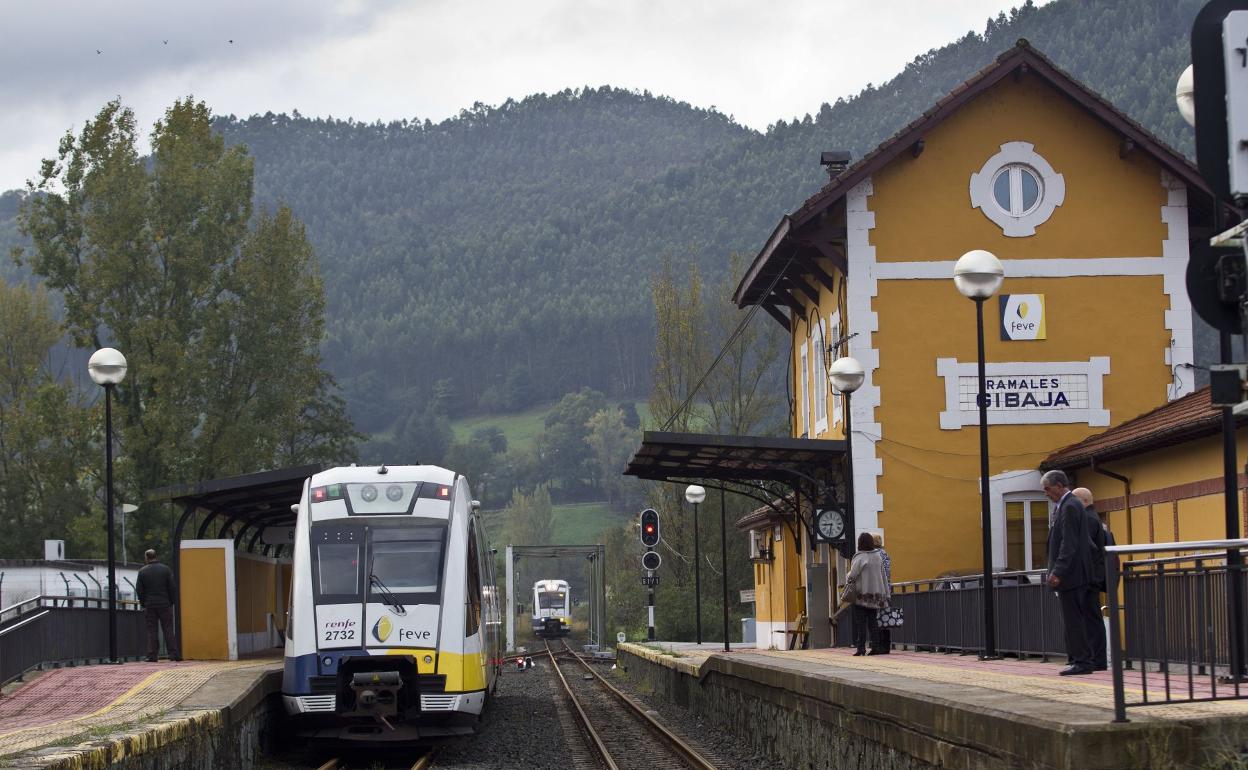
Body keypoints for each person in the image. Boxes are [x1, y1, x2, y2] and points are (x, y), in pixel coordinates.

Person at [1042, 470, 1094, 675]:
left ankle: (1082, 661)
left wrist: (1058, 571)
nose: (1046, 493)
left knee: (1074, 619)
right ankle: (1081, 659)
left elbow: (1069, 543)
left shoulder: (1070, 506)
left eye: (1047, 489)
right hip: (1073, 573)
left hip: (1071, 575)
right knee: (1074, 618)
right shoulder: (1067, 505)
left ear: (1059, 485)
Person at [1073, 487, 1111, 670]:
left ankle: (1096, 659)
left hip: (1088, 577)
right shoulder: (1092, 517)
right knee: (1091, 618)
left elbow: (1085, 548)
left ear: (1083, 501)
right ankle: (1096, 658)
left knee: (1091, 618)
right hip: (1091, 575)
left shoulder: (1087, 519)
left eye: (1074, 501)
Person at [845, 531, 890, 656]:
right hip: (875, 596)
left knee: (861, 623)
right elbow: (883, 576)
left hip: (861, 595)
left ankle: (861, 649)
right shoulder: (877, 557)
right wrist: (887, 593)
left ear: (860, 543)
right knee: (873, 622)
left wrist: (847, 575)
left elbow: (852, 576)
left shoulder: (859, 557)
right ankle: (875, 647)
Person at [136, 548, 181, 662]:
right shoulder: (165, 570)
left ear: (147, 557)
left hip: (150, 604)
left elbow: (139, 590)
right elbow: (172, 587)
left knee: (152, 630)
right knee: (168, 628)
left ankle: (152, 655)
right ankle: (173, 654)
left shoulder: (142, 571)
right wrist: (171, 601)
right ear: (156, 556)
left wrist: (143, 603)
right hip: (165, 604)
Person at [872, 533, 892, 655]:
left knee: (876, 618)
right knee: (884, 617)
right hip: (886, 589)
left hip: (877, 589)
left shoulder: (874, 555)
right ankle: (886, 645)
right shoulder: (885, 554)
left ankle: (879, 645)